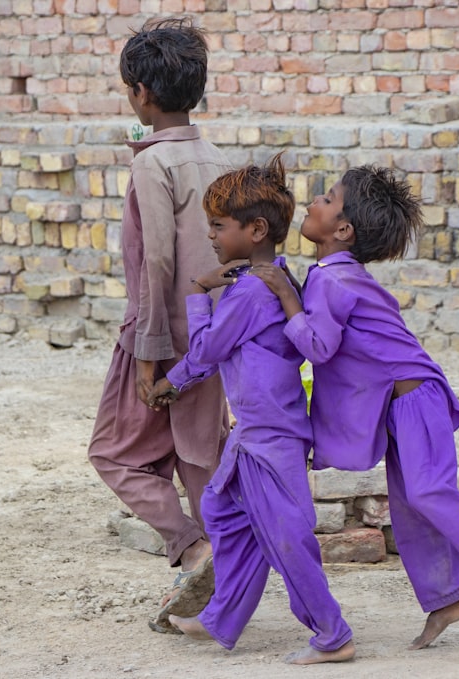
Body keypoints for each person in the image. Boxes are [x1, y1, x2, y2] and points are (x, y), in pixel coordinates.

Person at [251, 165, 459, 651]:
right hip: (395, 406)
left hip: (416, 400)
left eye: (328, 197)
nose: (314, 199)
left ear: (342, 230)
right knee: (409, 503)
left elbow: (318, 347)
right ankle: (445, 600)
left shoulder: (335, 282)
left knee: (430, 493)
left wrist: (285, 299)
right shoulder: (329, 275)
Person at [148, 155, 357, 666]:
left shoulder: (248, 293)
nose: (213, 236)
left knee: (288, 538)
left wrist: (198, 293)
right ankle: (223, 616)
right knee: (222, 510)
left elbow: (206, 352)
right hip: (257, 432)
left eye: (218, 226)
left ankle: (332, 634)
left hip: (272, 436)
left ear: (255, 229)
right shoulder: (271, 278)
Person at [86, 16, 232, 634]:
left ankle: (191, 548)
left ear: (140, 94)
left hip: (159, 338)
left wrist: (147, 353)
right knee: (200, 460)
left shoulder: (152, 166)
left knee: (113, 452)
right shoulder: (219, 159)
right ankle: (224, 594)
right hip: (211, 338)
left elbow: (157, 263)